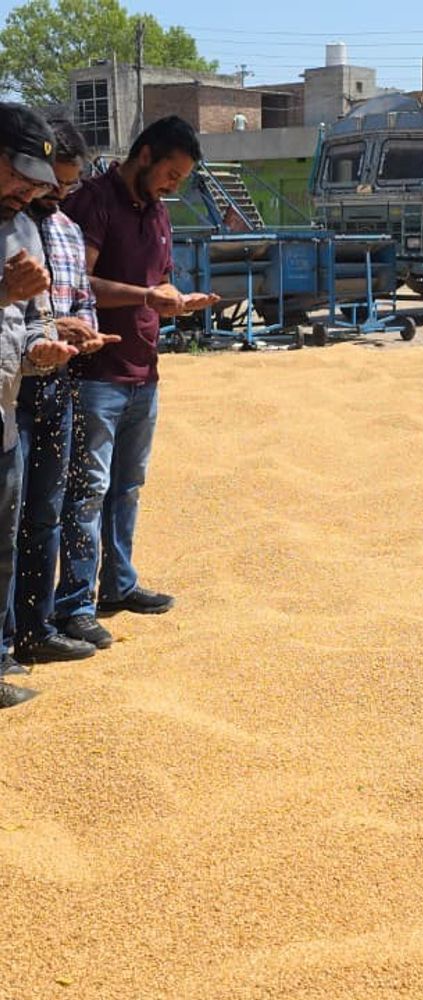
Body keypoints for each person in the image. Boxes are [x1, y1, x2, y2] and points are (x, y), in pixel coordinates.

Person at [55, 115, 216, 651]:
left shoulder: (158, 213)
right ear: (144, 154)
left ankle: (117, 585)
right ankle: (75, 602)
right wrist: (148, 297)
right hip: (97, 373)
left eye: (181, 178)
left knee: (127, 487)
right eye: (170, 172)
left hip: (144, 372)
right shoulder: (95, 202)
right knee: (88, 491)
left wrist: (177, 298)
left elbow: (158, 281)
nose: (174, 185)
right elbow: (80, 285)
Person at [8, 119, 120, 665]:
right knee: (11, 519)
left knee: (42, 513)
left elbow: (48, 311)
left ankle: (34, 626)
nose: (53, 195)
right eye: (49, 184)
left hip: (52, 381)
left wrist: (72, 332)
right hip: (16, 395)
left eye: (66, 187)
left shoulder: (57, 231)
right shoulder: (13, 225)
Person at [0, 103, 79, 707]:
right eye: (18, 173)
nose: (28, 190)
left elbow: (26, 327)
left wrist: (45, 348)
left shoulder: (24, 228)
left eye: (35, 180)